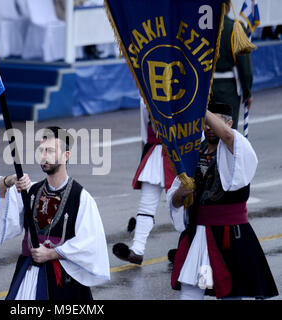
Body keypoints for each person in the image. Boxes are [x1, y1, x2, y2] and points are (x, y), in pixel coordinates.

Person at [167, 101, 278, 300]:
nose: (208, 127)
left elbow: (226, 136)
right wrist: (181, 193)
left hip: (229, 238)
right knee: (192, 288)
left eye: (214, 122)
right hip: (199, 236)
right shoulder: (194, 152)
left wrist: (198, 104)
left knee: (231, 292)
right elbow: (174, 201)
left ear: (229, 123)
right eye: (205, 122)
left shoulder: (238, 146)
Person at [0, 126, 110, 300]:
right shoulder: (31, 190)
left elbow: (90, 243)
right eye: (42, 150)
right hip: (28, 273)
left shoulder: (81, 197)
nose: (44, 155)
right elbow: (0, 201)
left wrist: (52, 253)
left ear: (66, 156)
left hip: (64, 281)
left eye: (50, 150)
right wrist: (9, 180)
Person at [112, 98, 176, 265]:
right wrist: (144, 159)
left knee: (181, 206)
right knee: (146, 205)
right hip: (154, 152)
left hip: (180, 153)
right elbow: (144, 133)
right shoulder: (145, 96)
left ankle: (189, 249)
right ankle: (137, 251)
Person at [212, 0, 253, 130]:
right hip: (228, 89)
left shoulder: (202, 28)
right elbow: (245, 66)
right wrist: (247, 91)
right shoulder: (235, 27)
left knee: (207, 132)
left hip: (205, 87)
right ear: (228, 5)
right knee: (227, 132)